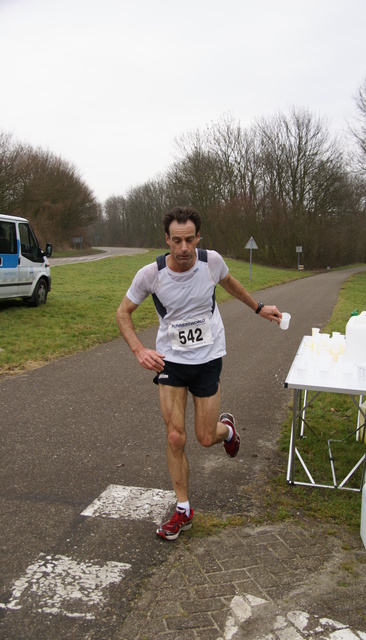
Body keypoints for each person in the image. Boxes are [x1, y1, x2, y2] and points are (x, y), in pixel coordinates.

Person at [116, 206, 282, 540]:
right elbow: (123, 313)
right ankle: (183, 510)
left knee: (206, 437)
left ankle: (228, 431)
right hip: (171, 361)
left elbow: (231, 284)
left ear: (198, 238)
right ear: (167, 240)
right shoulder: (151, 274)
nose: (183, 248)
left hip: (207, 358)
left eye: (189, 240)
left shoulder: (212, 262)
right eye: (176, 241)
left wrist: (260, 308)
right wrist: (140, 350)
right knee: (176, 436)